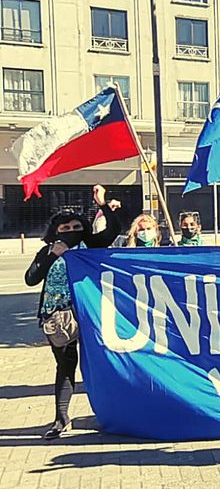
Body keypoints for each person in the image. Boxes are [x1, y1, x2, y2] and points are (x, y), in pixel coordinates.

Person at [24, 185, 122, 439]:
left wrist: (102, 204)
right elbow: (31, 278)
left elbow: (113, 230)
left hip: (90, 313)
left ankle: (115, 411)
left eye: (76, 227)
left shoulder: (91, 245)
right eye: (65, 228)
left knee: (102, 361)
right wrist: (51, 256)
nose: (71, 231)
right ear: (55, 231)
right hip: (58, 317)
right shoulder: (48, 250)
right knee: (66, 365)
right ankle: (61, 418)